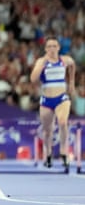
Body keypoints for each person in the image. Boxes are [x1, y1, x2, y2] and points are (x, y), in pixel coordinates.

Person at [30, 36, 76, 168]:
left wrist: (71, 82)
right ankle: (48, 155)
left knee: (62, 122)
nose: (52, 49)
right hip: (46, 100)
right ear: (45, 49)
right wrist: (42, 63)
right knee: (47, 130)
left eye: (54, 46)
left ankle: (63, 153)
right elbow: (33, 79)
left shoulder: (64, 60)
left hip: (61, 97)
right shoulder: (41, 61)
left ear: (59, 48)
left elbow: (72, 65)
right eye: (49, 46)